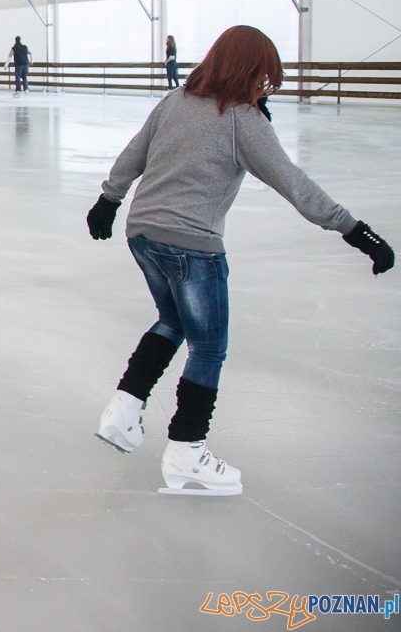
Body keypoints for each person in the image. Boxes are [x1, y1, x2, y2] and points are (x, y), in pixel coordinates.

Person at [87, 26, 394, 496]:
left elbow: (134, 153)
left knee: (173, 320)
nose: (265, 84)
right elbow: (292, 182)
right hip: (192, 245)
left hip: (144, 234)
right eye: (263, 74)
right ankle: (187, 450)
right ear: (250, 70)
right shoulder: (242, 120)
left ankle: (124, 409)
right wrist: (356, 231)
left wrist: (109, 200)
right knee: (208, 348)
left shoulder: (176, 100)